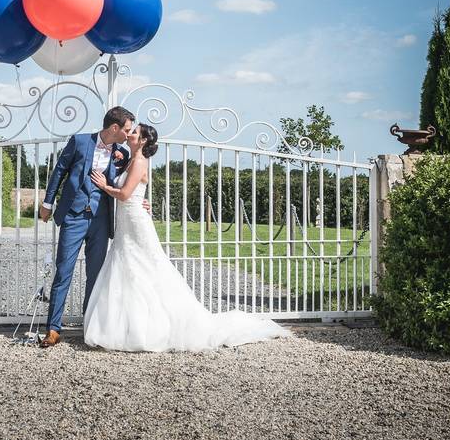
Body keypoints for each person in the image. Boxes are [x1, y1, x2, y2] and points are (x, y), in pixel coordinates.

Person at [83, 123, 292, 352]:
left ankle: (149, 329)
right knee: (128, 270)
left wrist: (104, 186)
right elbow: (133, 191)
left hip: (135, 222)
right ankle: (126, 328)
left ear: (142, 140)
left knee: (146, 268)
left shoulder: (140, 161)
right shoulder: (129, 159)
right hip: (126, 223)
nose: (129, 134)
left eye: (134, 132)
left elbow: (123, 194)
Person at [37, 106, 143, 348]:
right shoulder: (80, 141)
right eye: (126, 130)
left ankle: (90, 327)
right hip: (73, 217)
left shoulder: (122, 154)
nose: (128, 135)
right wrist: (47, 202)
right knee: (63, 272)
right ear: (114, 128)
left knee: (95, 276)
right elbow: (60, 171)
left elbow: (132, 180)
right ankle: (53, 329)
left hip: (100, 219)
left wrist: (141, 201)